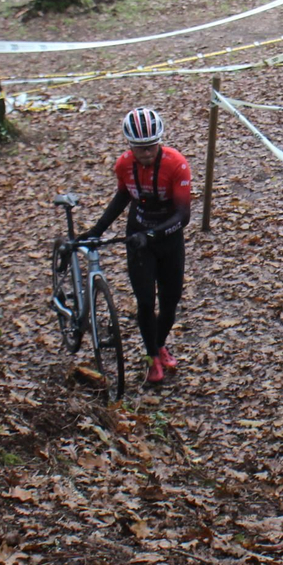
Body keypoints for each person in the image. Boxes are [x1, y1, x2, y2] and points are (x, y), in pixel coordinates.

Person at [83, 107, 192, 384]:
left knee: (170, 302)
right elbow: (122, 197)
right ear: (129, 145)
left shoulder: (176, 163)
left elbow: (183, 215)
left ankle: (159, 343)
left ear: (160, 141)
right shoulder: (123, 165)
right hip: (138, 239)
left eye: (151, 147)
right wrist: (97, 230)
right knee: (145, 302)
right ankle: (152, 356)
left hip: (168, 237)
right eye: (139, 148)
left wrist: (153, 235)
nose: (146, 153)